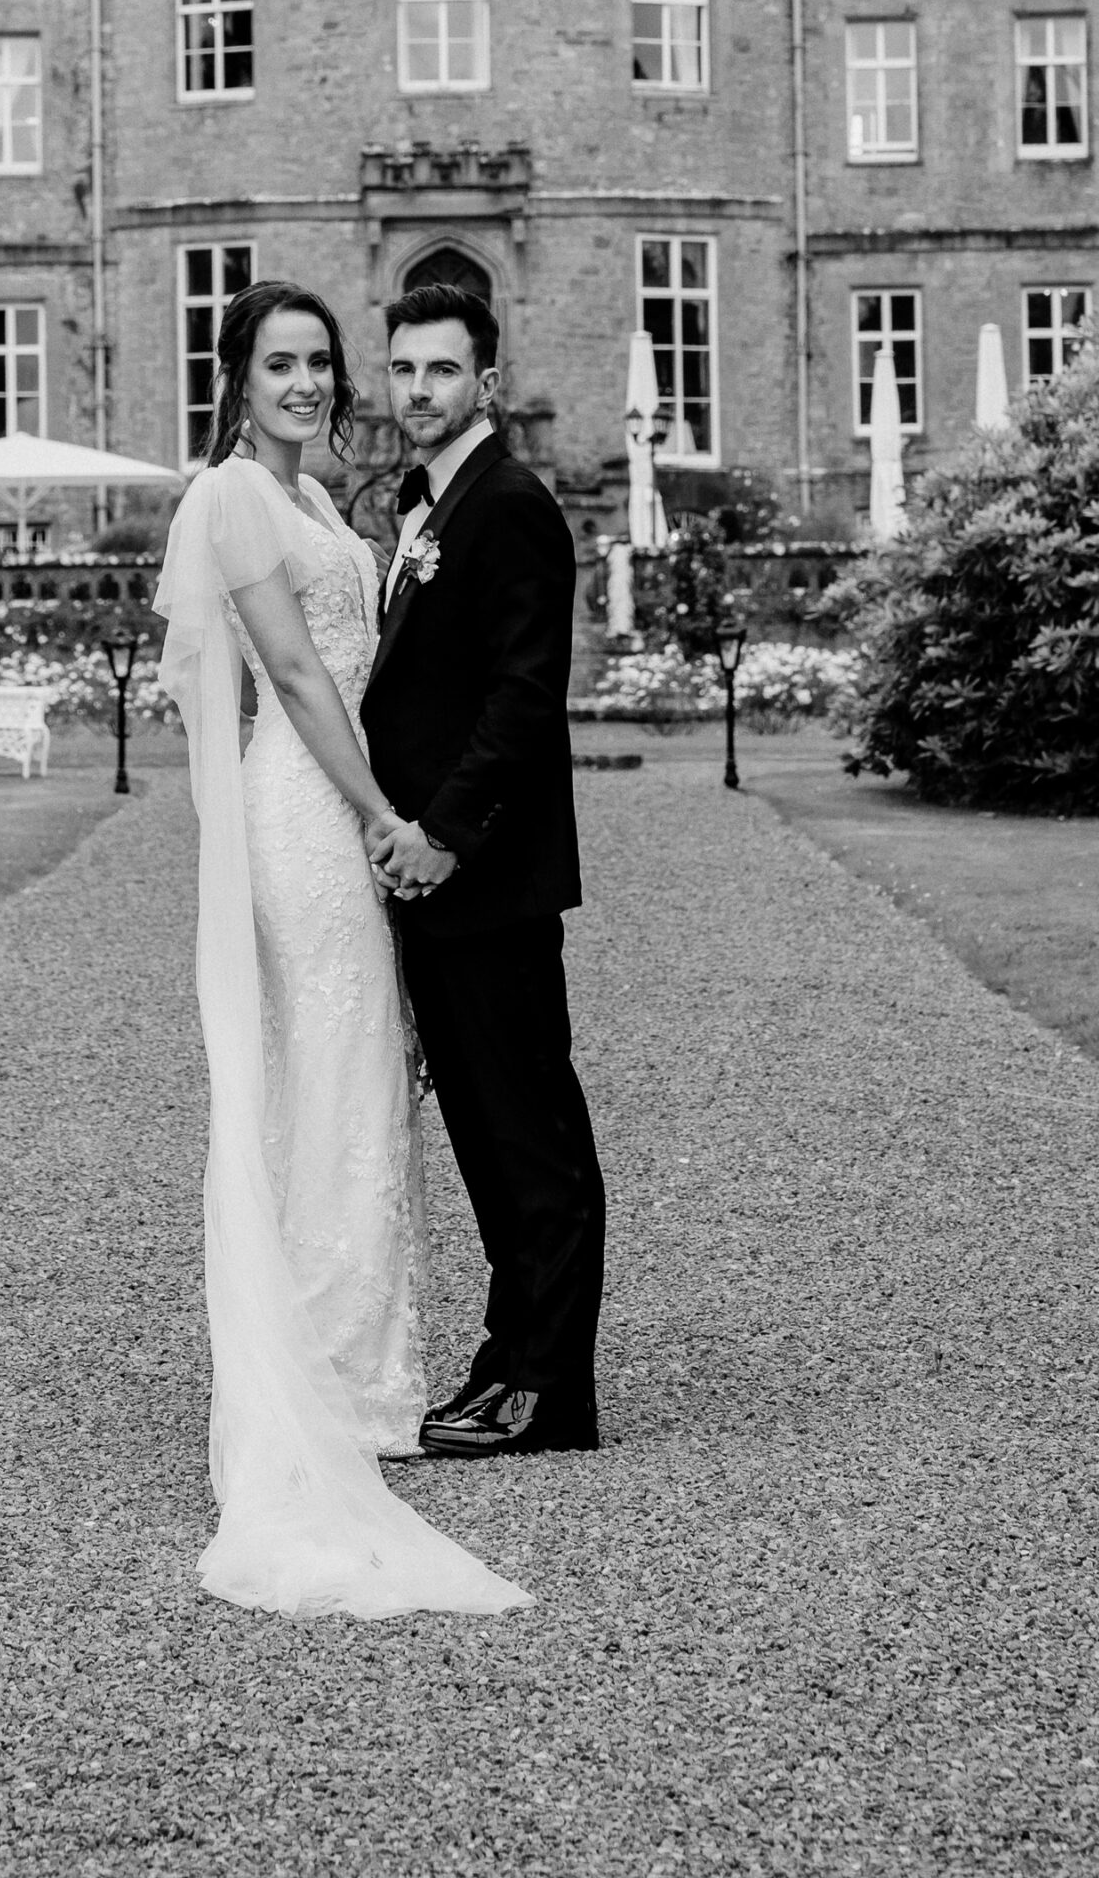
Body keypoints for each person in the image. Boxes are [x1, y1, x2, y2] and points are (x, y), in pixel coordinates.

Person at [155, 278, 528, 1620]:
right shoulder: (232, 498)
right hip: (308, 811)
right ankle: (311, 1369)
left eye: (318, 362)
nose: (306, 383)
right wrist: (383, 815)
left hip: (346, 799)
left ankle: (353, 1363)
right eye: (279, 365)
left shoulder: (318, 503)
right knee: (332, 1053)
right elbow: (301, 679)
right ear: (235, 379)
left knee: (360, 1062)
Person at [361, 282, 606, 1459]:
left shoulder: (509, 504)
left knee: (531, 1138)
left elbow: (520, 700)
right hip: (435, 885)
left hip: (487, 879)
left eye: (442, 371)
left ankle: (550, 1391)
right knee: (484, 1140)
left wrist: (442, 834)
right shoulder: (426, 502)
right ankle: (507, 1360)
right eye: (404, 369)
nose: (420, 391)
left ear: (486, 383)